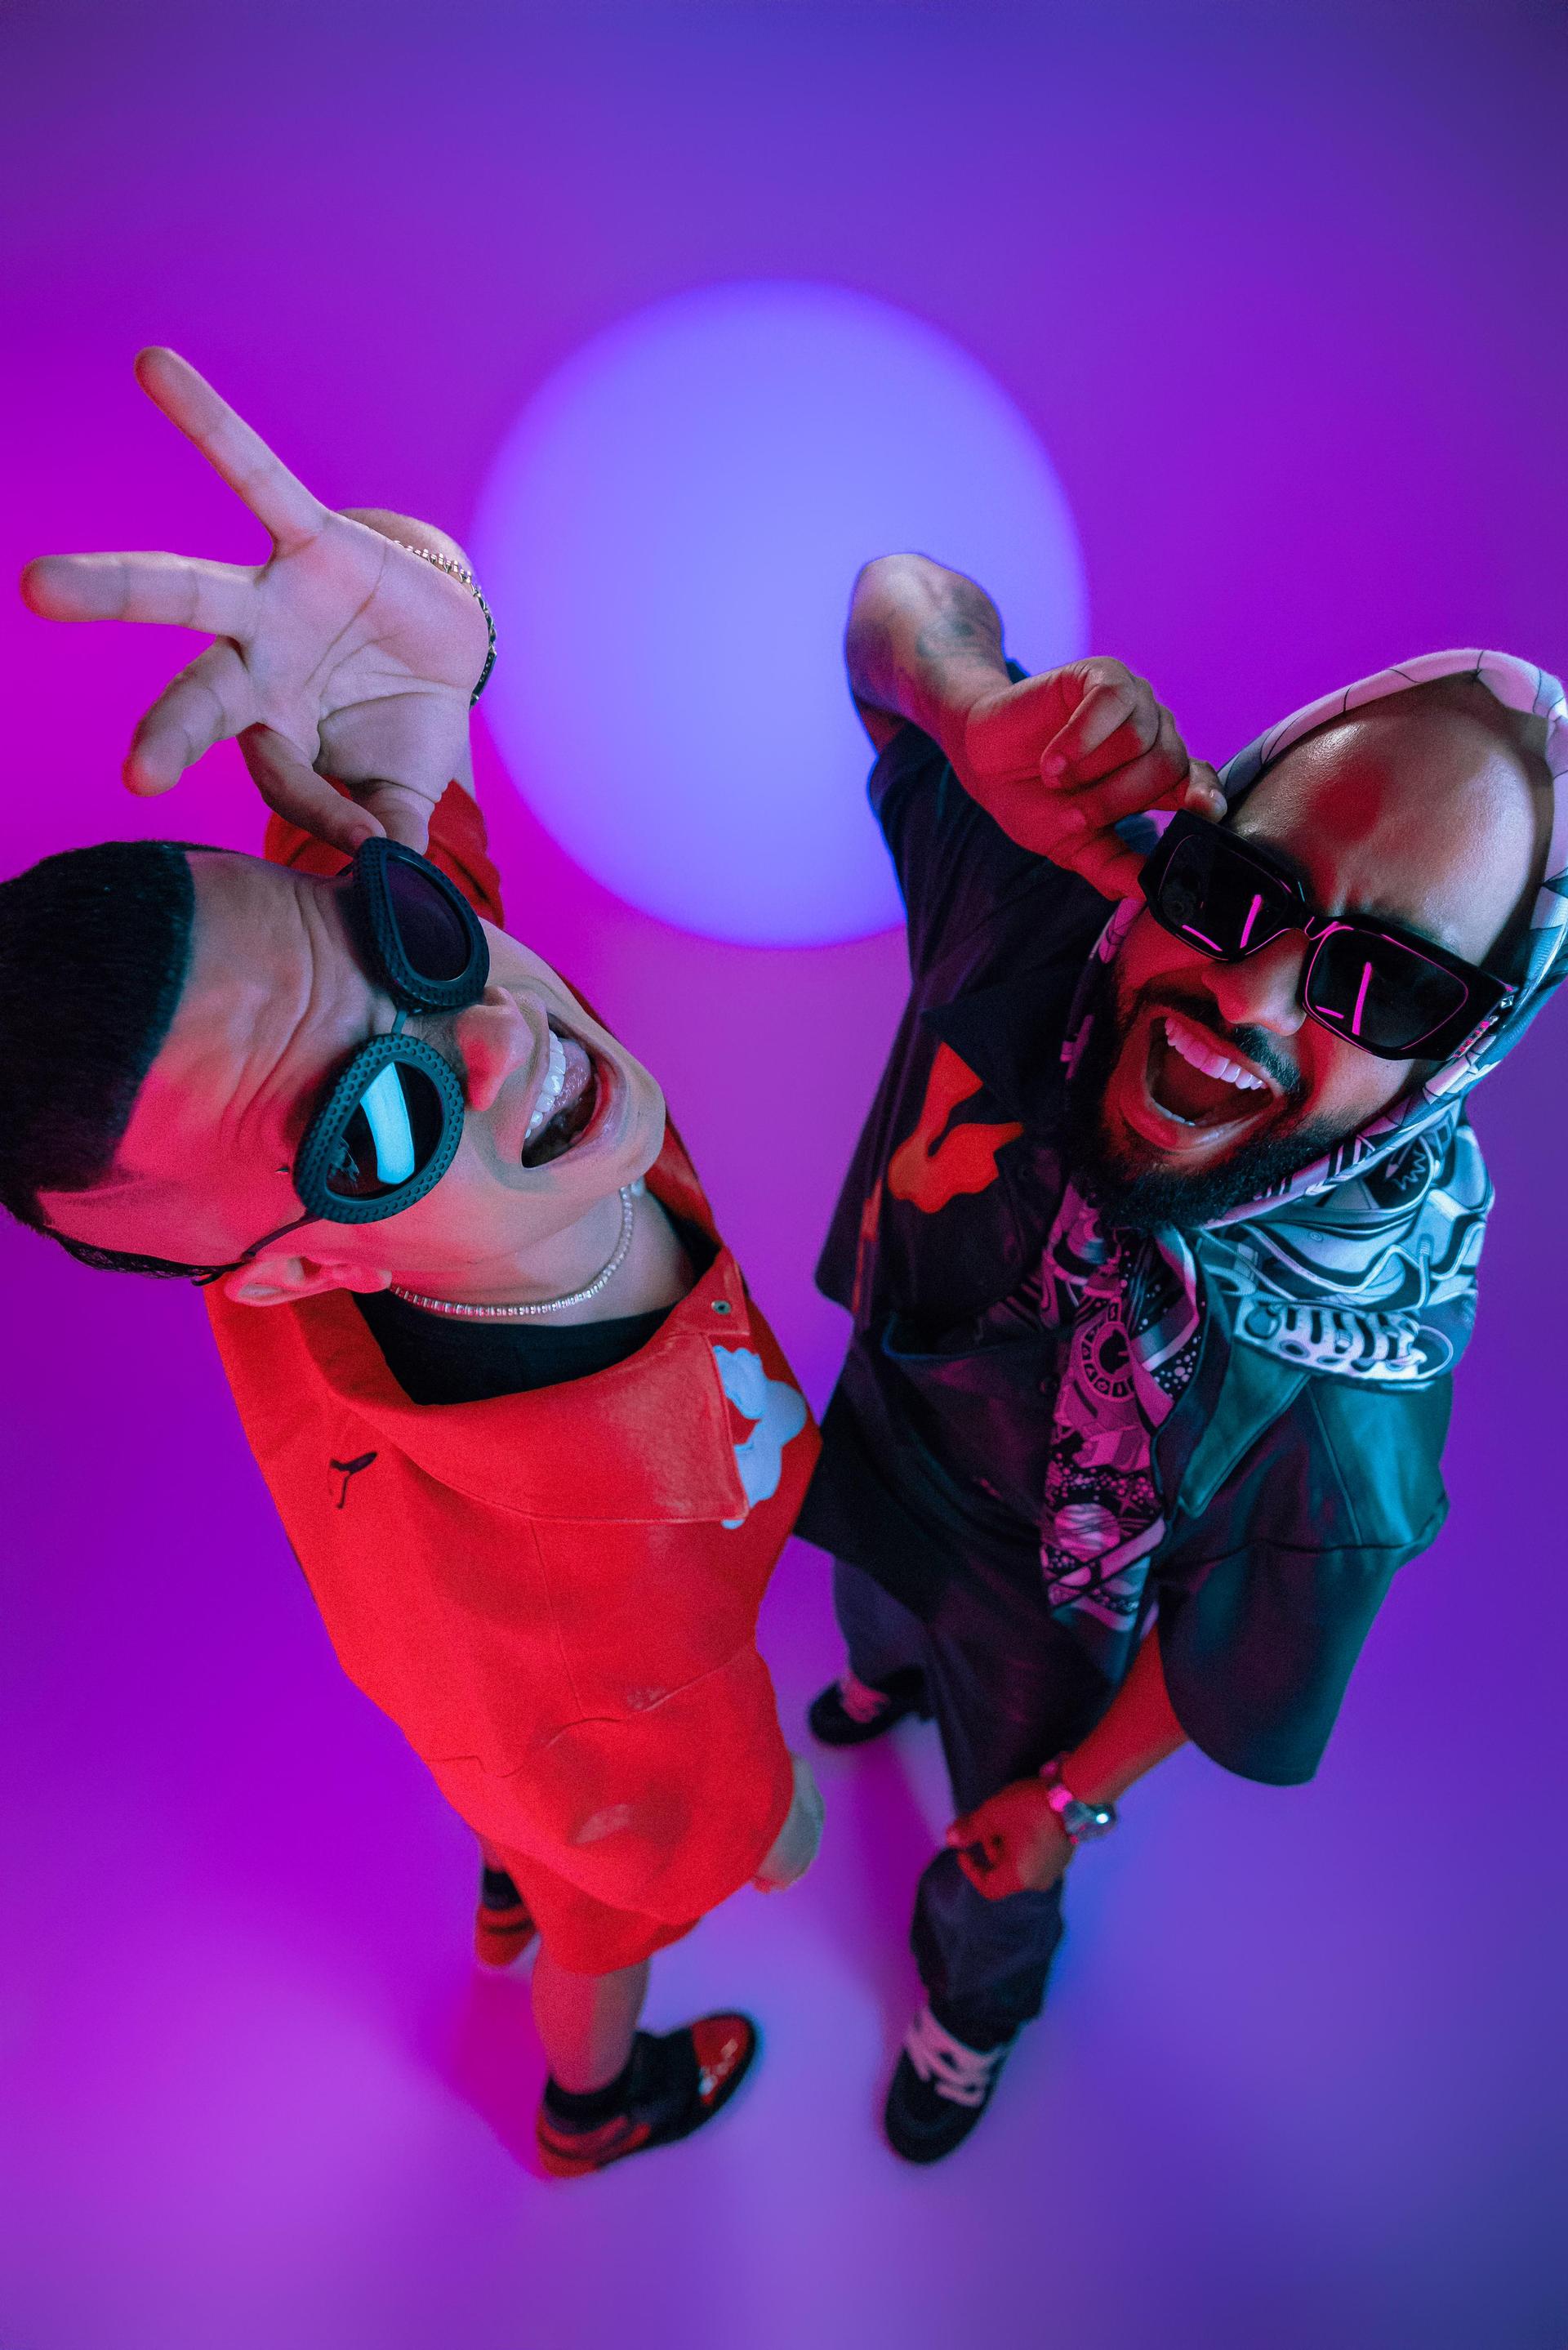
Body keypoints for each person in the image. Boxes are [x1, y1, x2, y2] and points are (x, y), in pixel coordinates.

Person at [3, 350, 823, 2177]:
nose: (502, 1033)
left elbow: (389, 764)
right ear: (288, 1272)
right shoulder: (586, 1595)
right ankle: (590, 2102)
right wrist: (762, 1816)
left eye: (411, 932)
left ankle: (506, 1870)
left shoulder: (395, 1038)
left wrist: (417, 645)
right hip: (563, 1739)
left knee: (521, 1818)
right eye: (375, 1122)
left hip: (471, 1707)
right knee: (600, 1913)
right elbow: (663, 1783)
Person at [799, 551, 1566, 2162]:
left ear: (1462, 1051)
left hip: (1046, 1615)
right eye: (1243, 886)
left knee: (996, 1858)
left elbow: (1238, 1648)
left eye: (1383, 982)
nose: (1247, 993)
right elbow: (894, 607)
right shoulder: (1046, 894)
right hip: (875, 1432)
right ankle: (883, 1678)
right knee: (869, 1617)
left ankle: (969, 2019)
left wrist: (1067, 1802)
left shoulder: (1357, 1380)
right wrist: (973, 704)